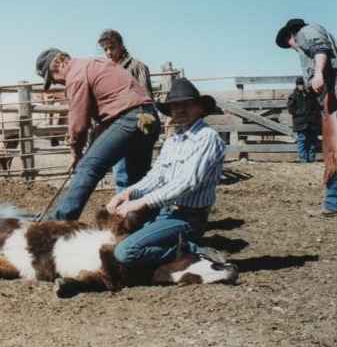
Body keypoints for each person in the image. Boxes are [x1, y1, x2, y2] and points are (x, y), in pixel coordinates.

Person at [106, 77, 228, 269]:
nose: (180, 110)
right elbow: (155, 177)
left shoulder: (207, 138)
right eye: (175, 106)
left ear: (200, 108)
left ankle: (193, 252)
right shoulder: (173, 141)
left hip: (189, 217)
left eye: (187, 104)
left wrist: (141, 202)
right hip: (166, 211)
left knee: (125, 253)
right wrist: (127, 193)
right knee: (117, 237)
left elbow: (187, 183)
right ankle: (176, 249)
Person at [35, 48, 160, 221]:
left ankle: (58, 224)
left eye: (52, 77)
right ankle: (147, 225)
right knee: (138, 180)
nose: (56, 83)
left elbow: (78, 124)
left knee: (87, 167)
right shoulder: (95, 63)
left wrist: (76, 152)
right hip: (148, 118)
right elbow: (115, 103)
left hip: (129, 120)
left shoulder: (75, 75)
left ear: (59, 62)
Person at [275, 18, 337, 217]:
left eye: (289, 44)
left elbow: (320, 49)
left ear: (290, 35)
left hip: (331, 90)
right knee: (332, 148)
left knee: (333, 147)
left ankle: (332, 203)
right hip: (327, 93)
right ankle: (331, 203)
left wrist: (318, 73)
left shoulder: (305, 32)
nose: (293, 48)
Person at [98, 29, 154, 193]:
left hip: (137, 123)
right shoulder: (106, 69)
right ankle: (122, 213)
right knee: (120, 172)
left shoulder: (137, 67)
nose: (109, 53)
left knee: (139, 172)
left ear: (121, 45)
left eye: (112, 48)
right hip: (116, 126)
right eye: (105, 50)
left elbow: (146, 96)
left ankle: (139, 211)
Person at [287, 76, 321, 163]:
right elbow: (291, 109)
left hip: (311, 121)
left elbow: (317, 107)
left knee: (312, 140)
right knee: (302, 139)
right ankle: (303, 159)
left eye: (302, 84)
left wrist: (314, 115)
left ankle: (311, 158)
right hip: (300, 122)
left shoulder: (310, 95)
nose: (301, 86)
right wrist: (301, 112)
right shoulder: (293, 96)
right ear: (297, 85)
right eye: (300, 84)